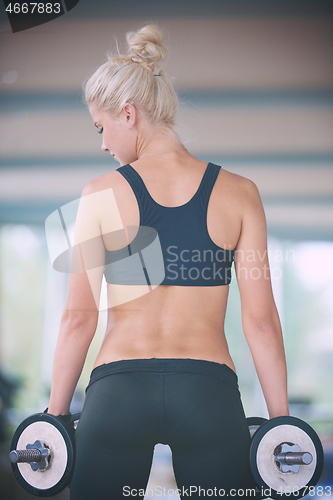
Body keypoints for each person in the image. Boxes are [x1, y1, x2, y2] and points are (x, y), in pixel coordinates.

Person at [47, 25, 289, 499]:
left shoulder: (100, 194)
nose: (103, 145)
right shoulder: (241, 194)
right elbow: (260, 321)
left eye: (102, 128)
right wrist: (282, 425)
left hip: (118, 391)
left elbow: (78, 318)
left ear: (128, 113)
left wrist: (53, 417)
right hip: (207, 392)